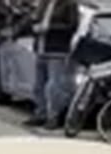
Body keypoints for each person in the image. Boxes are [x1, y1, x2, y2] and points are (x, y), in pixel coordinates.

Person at [26, 0, 78, 128]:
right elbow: (34, 19)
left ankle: (53, 116)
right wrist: (33, 27)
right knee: (39, 84)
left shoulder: (69, 4)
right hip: (41, 48)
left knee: (54, 86)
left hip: (57, 49)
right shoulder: (43, 3)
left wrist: (49, 27)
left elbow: (72, 26)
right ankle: (40, 113)